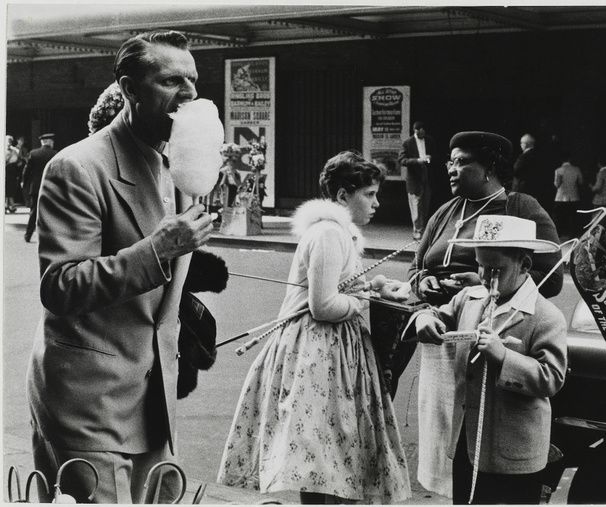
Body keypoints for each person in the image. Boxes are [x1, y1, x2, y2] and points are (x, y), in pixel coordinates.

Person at [26, 30, 215, 503]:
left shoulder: (180, 166)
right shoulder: (78, 167)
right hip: (87, 398)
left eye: (193, 80)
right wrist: (159, 250)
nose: (189, 94)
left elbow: (167, 276)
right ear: (129, 90)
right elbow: (62, 285)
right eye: (172, 81)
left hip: (154, 396)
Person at [218, 151, 411, 504]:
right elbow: (323, 306)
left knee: (334, 458)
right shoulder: (328, 234)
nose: (377, 203)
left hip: (335, 349)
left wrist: (369, 288)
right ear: (341, 196)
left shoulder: (340, 233)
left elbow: (341, 289)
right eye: (369, 194)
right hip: (318, 350)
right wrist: (366, 299)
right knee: (323, 461)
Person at [391, 131, 563, 497]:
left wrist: (483, 284)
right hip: (446, 338)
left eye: (461, 161)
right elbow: (416, 265)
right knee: (453, 441)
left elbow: (551, 278)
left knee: (491, 433)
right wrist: (423, 285)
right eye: (449, 162)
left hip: (501, 331)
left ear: (488, 169)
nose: (451, 169)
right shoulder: (446, 211)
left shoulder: (520, 206)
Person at [412, 214, 568, 504]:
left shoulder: (546, 317)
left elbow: (552, 378)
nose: (485, 276)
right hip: (467, 445)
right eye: (480, 265)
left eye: (496, 269)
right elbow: (438, 315)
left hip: (514, 456)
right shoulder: (469, 298)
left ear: (525, 265)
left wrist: (503, 356)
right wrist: (423, 317)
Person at [398, 121, 437, 240]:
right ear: (414, 131)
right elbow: (402, 160)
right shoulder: (407, 143)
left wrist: (430, 158)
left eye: (422, 131)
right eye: (417, 131)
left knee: (425, 205)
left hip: (427, 176)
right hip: (414, 178)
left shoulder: (429, 140)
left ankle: (422, 229)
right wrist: (417, 161)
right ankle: (417, 232)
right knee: (415, 206)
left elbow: (436, 155)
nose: (420, 133)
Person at [21, 133, 58, 242]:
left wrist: (24, 182)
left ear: (42, 142)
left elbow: (26, 170)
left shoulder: (33, 153)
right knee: (50, 212)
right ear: (49, 142)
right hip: (50, 187)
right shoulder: (55, 154)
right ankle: (50, 238)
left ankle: (28, 235)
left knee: (33, 212)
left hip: (36, 187)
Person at [553, 151, 583, 239]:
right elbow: (581, 182)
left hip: (561, 197)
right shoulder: (576, 169)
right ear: (570, 159)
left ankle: (558, 234)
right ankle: (573, 235)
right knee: (573, 217)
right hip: (574, 196)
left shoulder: (558, 170)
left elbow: (557, 185)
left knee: (558, 217)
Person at [5, 134, 21, 213]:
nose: (9, 143)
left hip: (12, 171)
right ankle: (8, 205)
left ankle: (10, 205)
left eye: (10, 141)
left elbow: (18, 162)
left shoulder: (15, 151)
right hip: (4, 170)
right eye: (7, 141)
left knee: (10, 188)